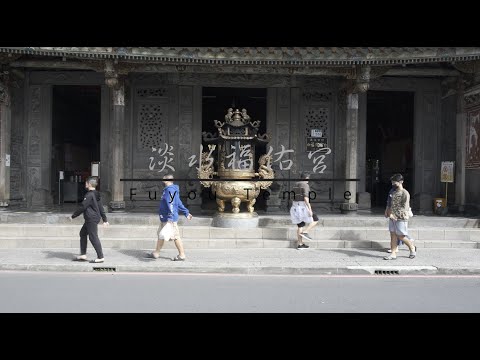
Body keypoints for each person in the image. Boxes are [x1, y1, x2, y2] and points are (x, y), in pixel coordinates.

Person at [152, 174, 193, 261]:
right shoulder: (170, 190)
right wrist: (186, 212)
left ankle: (182, 255)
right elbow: (178, 203)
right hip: (165, 218)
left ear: (166, 180)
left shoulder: (170, 190)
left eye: (163, 178)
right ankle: (156, 253)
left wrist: (170, 217)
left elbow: (171, 204)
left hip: (169, 219)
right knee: (161, 235)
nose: (162, 180)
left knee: (175, 236)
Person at [69, 176, 109, 263]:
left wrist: (73, 216)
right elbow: (101, 207)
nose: (85, 184)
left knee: (93, 237)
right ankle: (83, 255)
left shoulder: (89, 195)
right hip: (92, 218)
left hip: (91, 218)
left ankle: (100, 257)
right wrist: (105, 220)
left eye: (86, 183)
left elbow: (83, 206)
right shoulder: (96, 193)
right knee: (83, 233)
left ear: (89, 184)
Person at [384, 173, 416, 260]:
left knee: (401, 236)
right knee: (393, 235)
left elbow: (404, 208)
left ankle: (412, 248)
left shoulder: (405, 193)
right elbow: (390, 204)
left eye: (395, 182)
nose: (393, 184)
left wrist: (395, 215)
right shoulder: (393, 192)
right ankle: (393, 254)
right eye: (392, 182)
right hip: (392, 217)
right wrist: (388, 212)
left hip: (401, 218)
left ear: (401, 182)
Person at [289, 172, 319, 249]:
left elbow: (292, 196)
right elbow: (306, 198)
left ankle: (300, 244)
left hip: (295, 205)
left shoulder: (295, 184)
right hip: (302, 206)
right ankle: (306, 232)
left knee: (300, 225)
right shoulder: (305, 185)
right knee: (315, 219)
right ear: (306, 178)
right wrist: (310, 209)